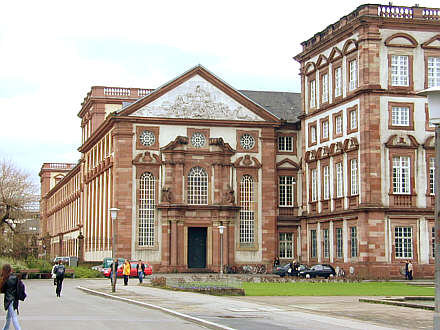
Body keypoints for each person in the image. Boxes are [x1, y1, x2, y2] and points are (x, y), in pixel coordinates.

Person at [0, 264, 22, 330]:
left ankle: (18, 329)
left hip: (9, 300)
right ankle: (5, 328)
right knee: (9, 317)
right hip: (14, 299)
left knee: (13, 317)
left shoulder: (5, 279)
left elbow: (2, 290)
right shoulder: (15, 278)